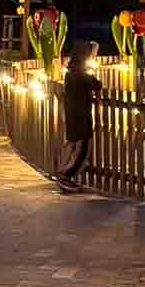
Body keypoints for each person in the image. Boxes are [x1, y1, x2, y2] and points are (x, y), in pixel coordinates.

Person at [53, 40, 100, 192]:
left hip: (72, 113)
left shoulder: (71, 70)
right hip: (80, 115)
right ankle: (65, 176)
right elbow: (97, 84)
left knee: (73, 144)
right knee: (82, 147)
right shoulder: (80, 72)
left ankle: (64, 174)